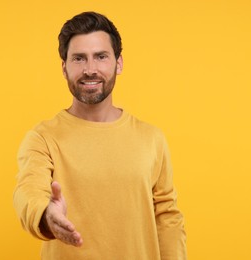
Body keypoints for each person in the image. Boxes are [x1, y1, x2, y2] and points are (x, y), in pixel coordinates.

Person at [13, 11, 187, 260]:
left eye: (101, 56)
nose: (90, 69)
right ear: (64, 68)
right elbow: (28, 190)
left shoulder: (152, 139)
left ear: (119, 63)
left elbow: (167, 217)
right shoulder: (42, 138)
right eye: (79, 59)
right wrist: (45, 216)